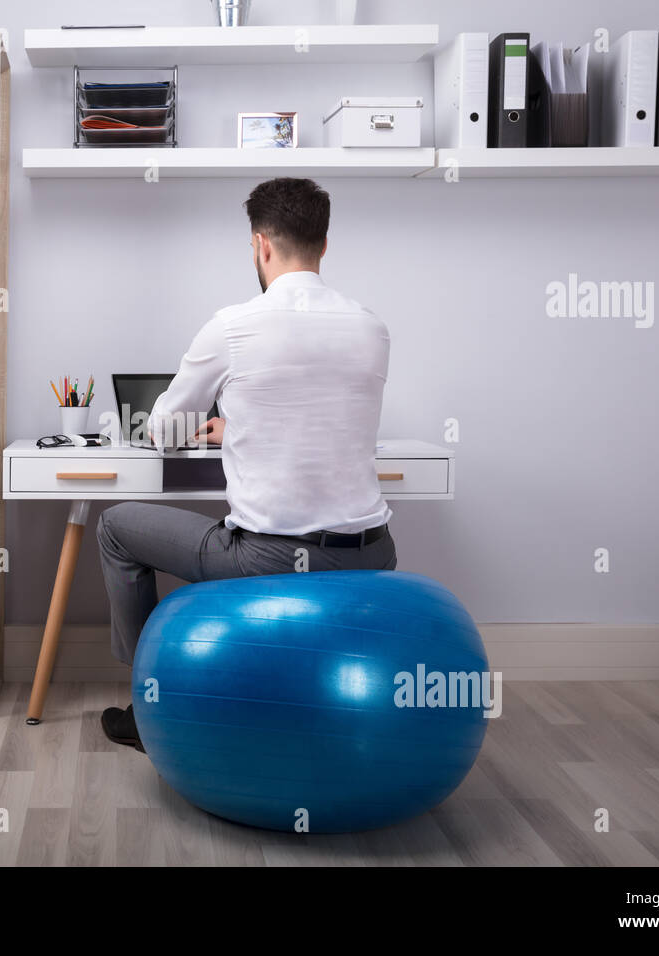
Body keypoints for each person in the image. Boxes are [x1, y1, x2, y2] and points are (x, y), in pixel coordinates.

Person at [96, 177, 398, 751]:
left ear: (261, 244)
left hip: (269, 558)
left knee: (115, 527)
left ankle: (148, 707)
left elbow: (161, 430)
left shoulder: (235, 326)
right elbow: (323, 409)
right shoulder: (372, 326)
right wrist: (244, 424)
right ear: (324, 245)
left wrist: (217, 423)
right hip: (373, 555)